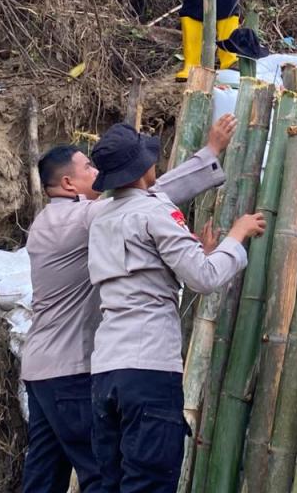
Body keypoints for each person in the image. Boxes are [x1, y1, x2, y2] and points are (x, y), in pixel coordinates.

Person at [20, 115, 237, 493]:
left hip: (40, 369)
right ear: (68, 183)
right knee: (102, 478)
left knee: (43, 476)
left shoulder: (43, 223)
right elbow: (145, 194)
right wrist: (211, 153)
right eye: (89, 167)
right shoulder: (83, 218)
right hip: (71, 368)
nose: (98, 171)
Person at [87, 123, 265, 493]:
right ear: (141, 170)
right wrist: (237, 235)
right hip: (149, 371)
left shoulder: (100, 217)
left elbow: (143, 265)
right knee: (150, 483)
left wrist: (199, 248)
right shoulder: (155, 213)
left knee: (112, 484)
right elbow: (204, 277)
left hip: (105, 373)